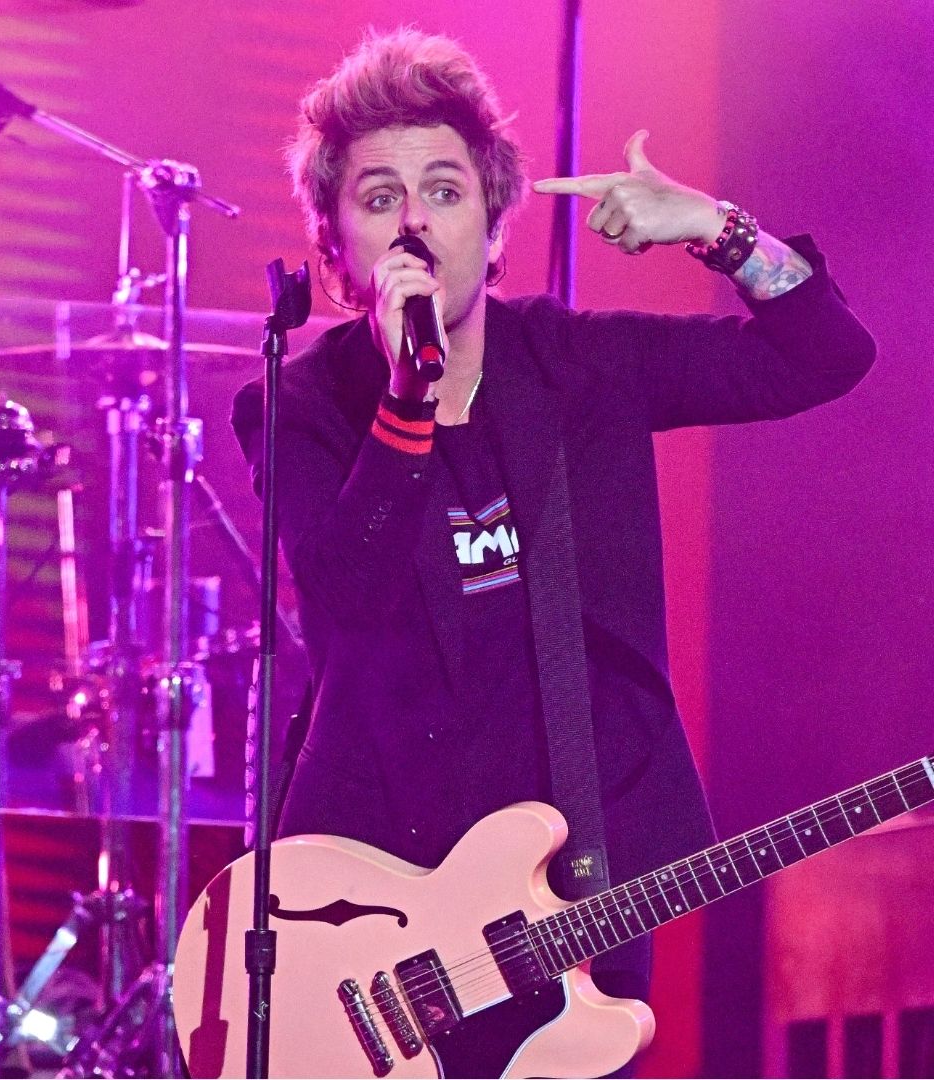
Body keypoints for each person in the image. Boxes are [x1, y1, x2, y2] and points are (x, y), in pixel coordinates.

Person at [231, 27, 873, 1067]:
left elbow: (828, 356)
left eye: (443, 190)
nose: (414, 224)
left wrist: (718, 229)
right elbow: (347, 589)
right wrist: (409, 396)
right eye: (378, 196)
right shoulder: (297, 405)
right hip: (378, 907)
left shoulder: (577, 364)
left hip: (581, 873)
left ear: (492, 225)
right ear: (334, 242)